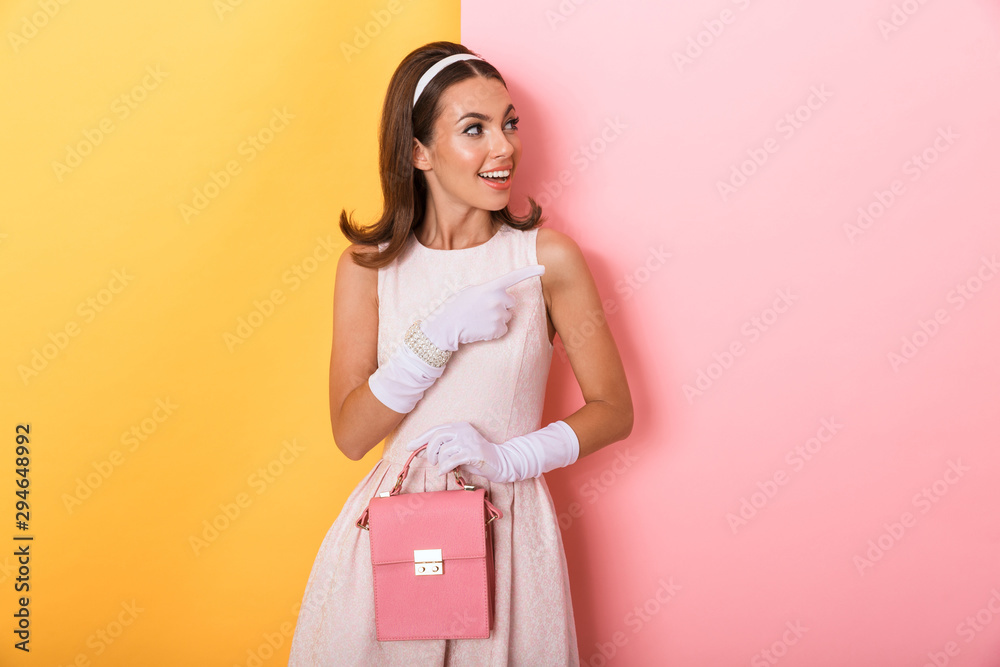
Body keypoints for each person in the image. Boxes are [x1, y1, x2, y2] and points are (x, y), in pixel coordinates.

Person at [288, 41, 633, 666]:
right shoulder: (368, 270)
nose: (504, 147)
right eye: (474, 129)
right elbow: (351, 434)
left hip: (507, 526)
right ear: (418, 151)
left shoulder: (545, 261)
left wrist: (509, 458)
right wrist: (434, 337)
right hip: (393, 534)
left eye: (509, 124)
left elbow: (614, 409)